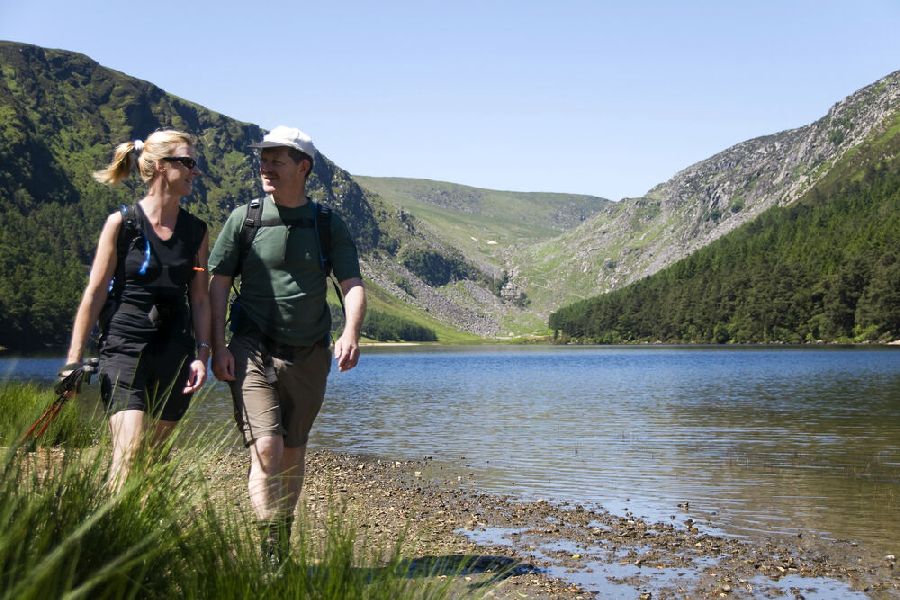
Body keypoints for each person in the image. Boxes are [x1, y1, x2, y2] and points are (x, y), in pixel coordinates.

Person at [208, 126, 366, 567]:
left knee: (293, 452)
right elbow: (218, 283)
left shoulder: (326, 223)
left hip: (310, 351)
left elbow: (351, 283)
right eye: (263, 158)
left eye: (276, 159)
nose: (265, 166)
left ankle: (280, 538)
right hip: (251, 344)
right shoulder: (245, 218)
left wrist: (350, 332)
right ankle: (271, 553)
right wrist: (218, 344)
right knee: (268, 448)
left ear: (303, 167)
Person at [61, 129, 210, 490]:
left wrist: (202, 354)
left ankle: (140, 537)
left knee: (155, 459)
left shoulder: (197, 232)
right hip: (124, 347)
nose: (196, 171)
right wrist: (74, 359)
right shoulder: (122, 224)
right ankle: (110, 537)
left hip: (175, 350)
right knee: (129, 452)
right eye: (188, 162)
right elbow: (95, 293)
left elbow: (201, 298)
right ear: (160, 166)